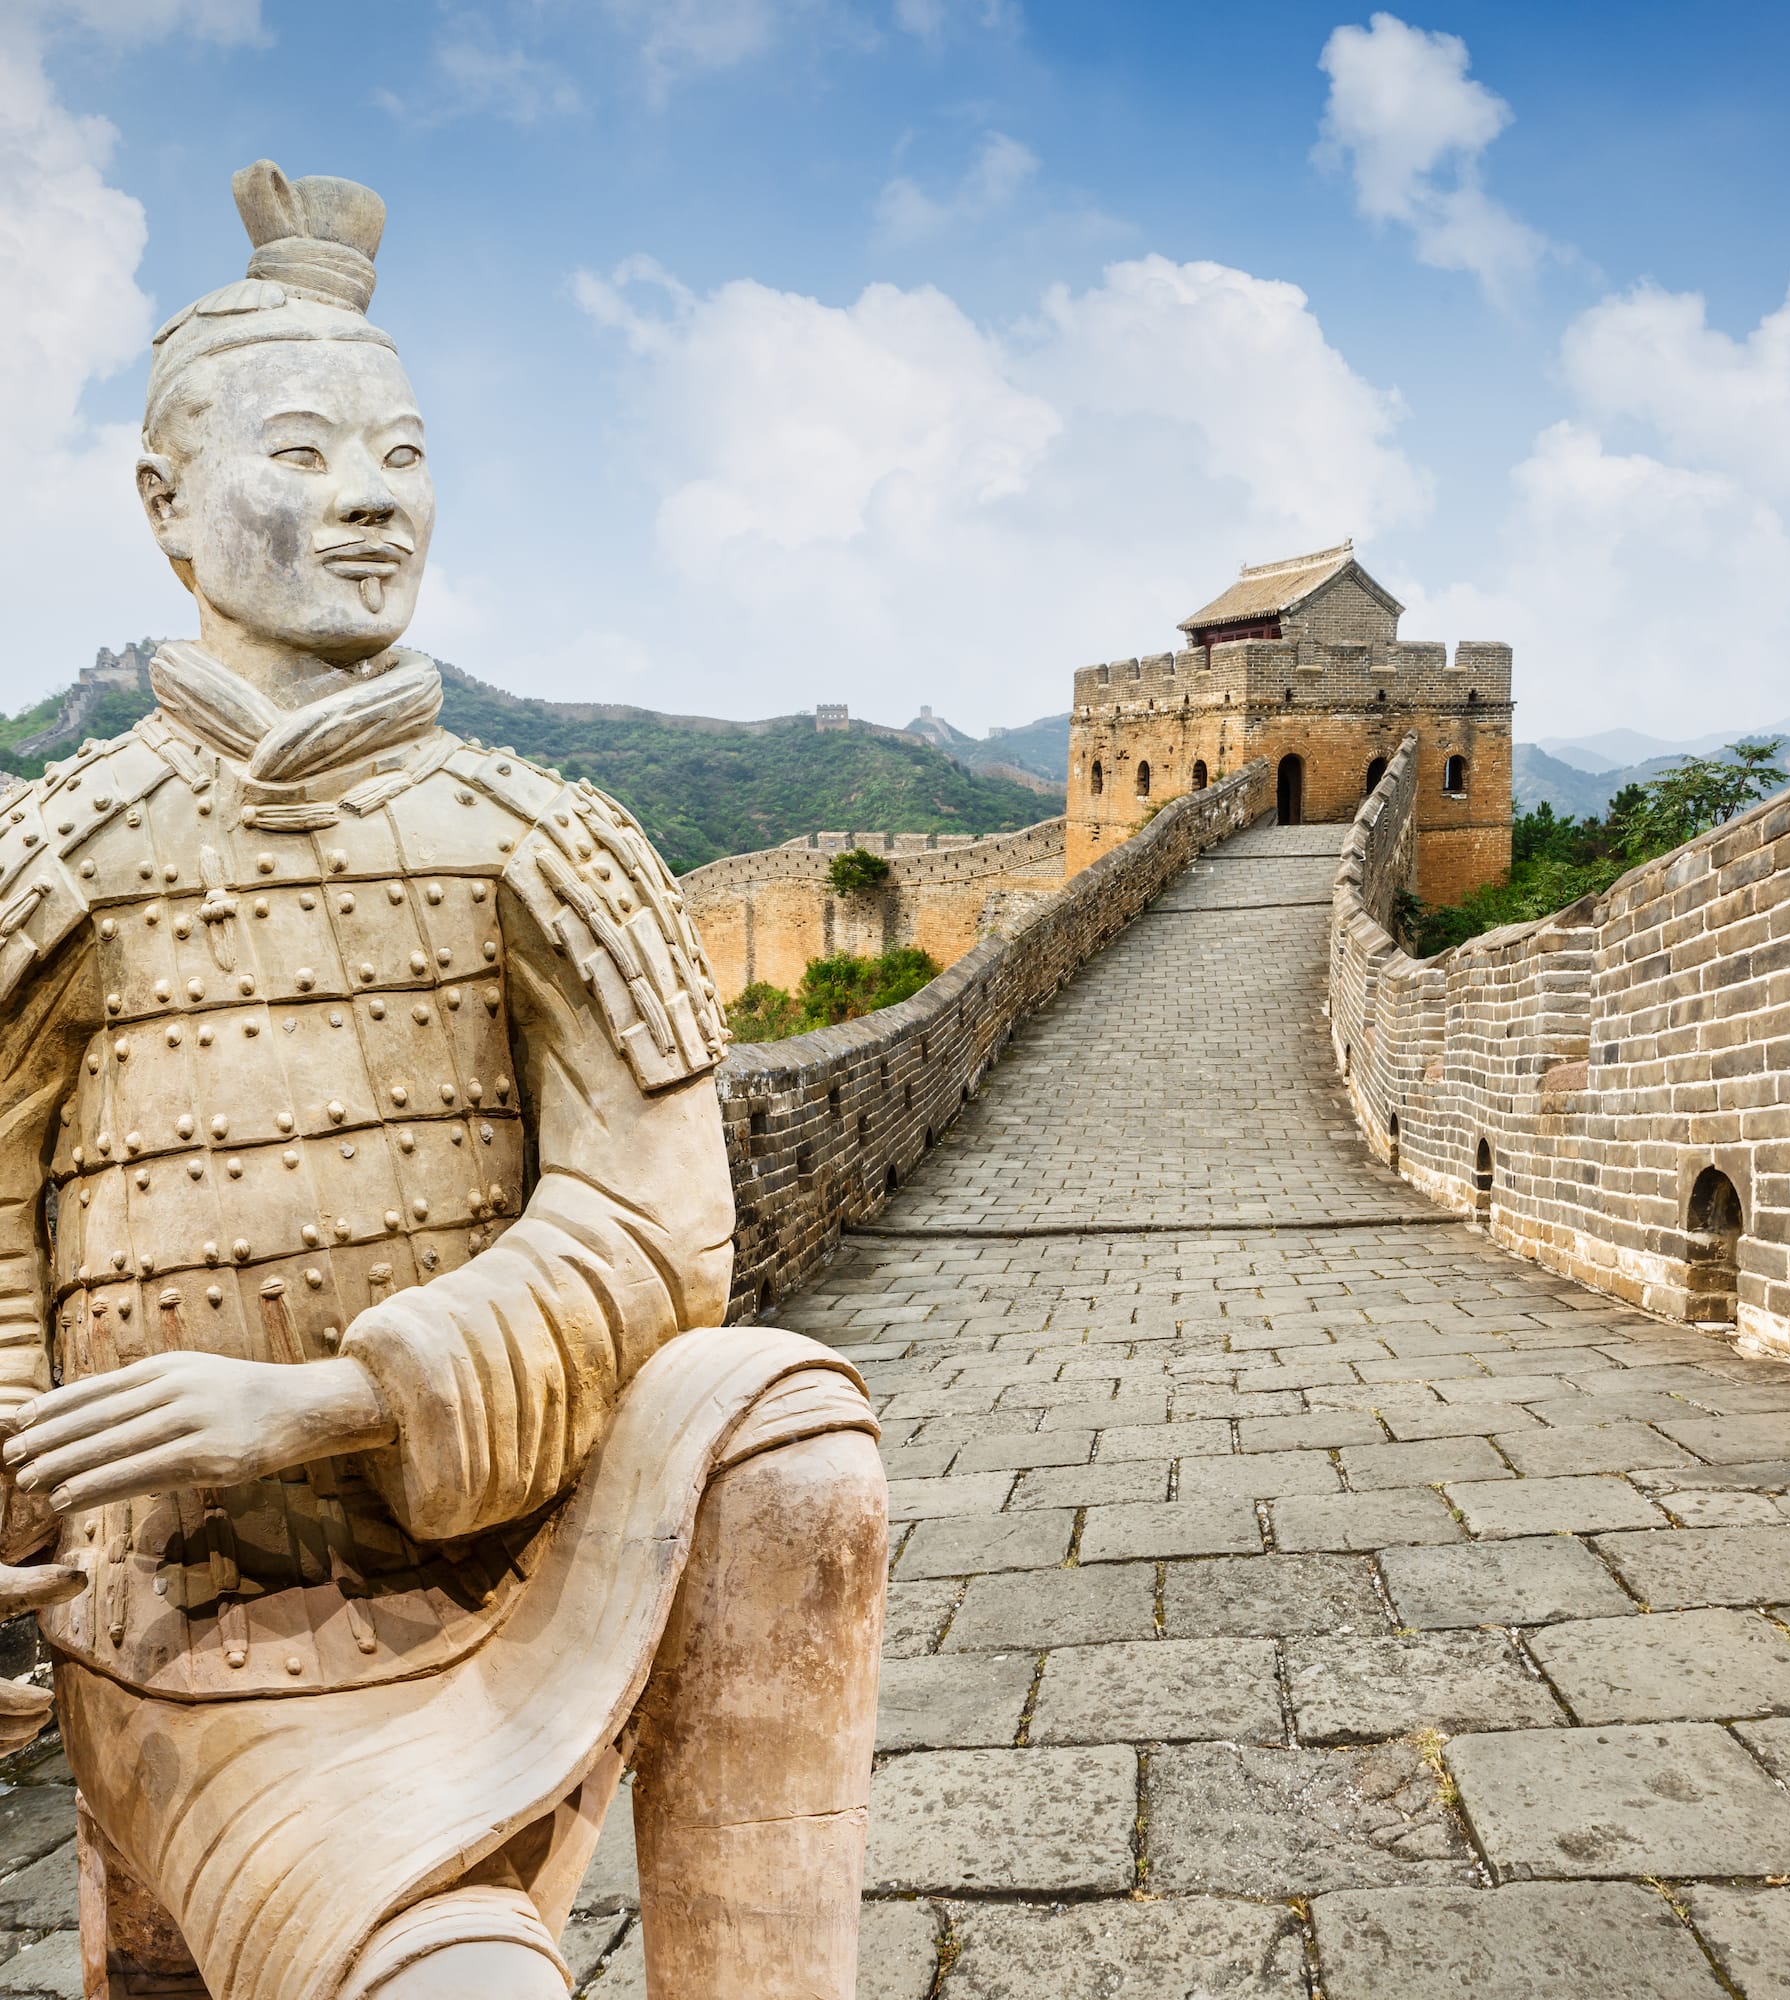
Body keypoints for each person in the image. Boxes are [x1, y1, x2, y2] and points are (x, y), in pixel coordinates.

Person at [0, 160, 887, 2000]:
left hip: (513, 1560)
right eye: (306, 455)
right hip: (212, 1635)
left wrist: (321, 1400)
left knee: (783, 1428)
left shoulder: (540, 840)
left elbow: (656, 1229)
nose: (373, 503)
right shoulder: (58, 862)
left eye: (402, 457)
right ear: (166, 506)